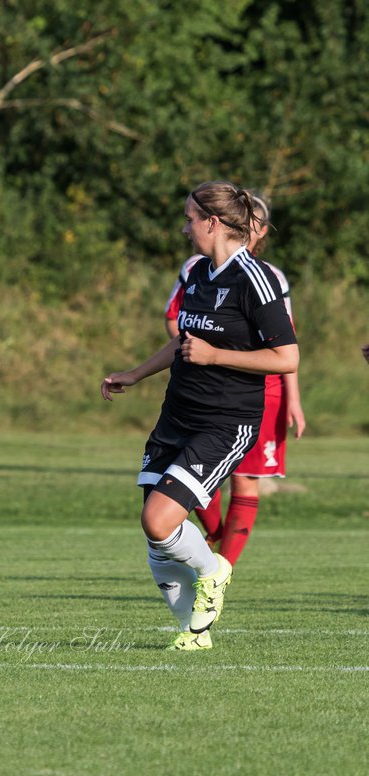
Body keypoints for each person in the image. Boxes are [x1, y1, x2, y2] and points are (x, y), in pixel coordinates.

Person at [102, 181, 299, 651]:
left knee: (158, 521)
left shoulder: (256, 279)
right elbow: (183, 341)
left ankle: (214, 571)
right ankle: (195, 632)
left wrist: (215, 358)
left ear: (212, 222)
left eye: (191, 218)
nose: (185, 226)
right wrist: (136, 374)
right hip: (178, 414)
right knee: (157, 537)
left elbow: (286, 357)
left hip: (226, 421)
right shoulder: (197, 273)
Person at [161, 191, 304, 568]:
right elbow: (178, 323)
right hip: (195, 396)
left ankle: (223, 567)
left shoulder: (266, 278)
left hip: (257, 394)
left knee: (245, 478)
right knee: (183, 485)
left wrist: (294, 399)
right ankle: (214, 548)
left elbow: (285, 348)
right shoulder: (196, 269)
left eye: (256, 225)